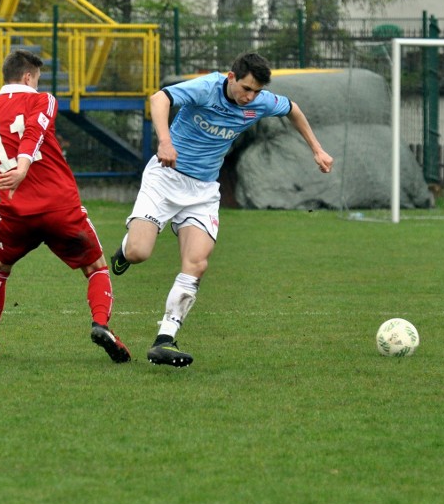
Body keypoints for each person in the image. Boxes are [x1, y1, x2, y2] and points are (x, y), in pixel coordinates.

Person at [110, 52, 333, 367]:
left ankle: (165, 339)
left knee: (197, 263)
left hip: (202, 191)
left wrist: (317, 149)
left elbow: (293, 109)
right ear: (231, 77)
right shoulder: (207, 88)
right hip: (165, 178)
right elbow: (159, 98)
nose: (250, 97)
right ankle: (124, 248)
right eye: (245, 88)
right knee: (138, 253)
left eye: (256, 91)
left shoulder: (260, 101)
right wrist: (165, 141)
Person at [0, 49, 131, 363]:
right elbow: (35, 131)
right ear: (28, 77)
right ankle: (101, 324)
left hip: (17, 214)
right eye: (36, 79)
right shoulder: (43, 100)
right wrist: (23, 166)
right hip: (60, 208)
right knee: (95, 268)